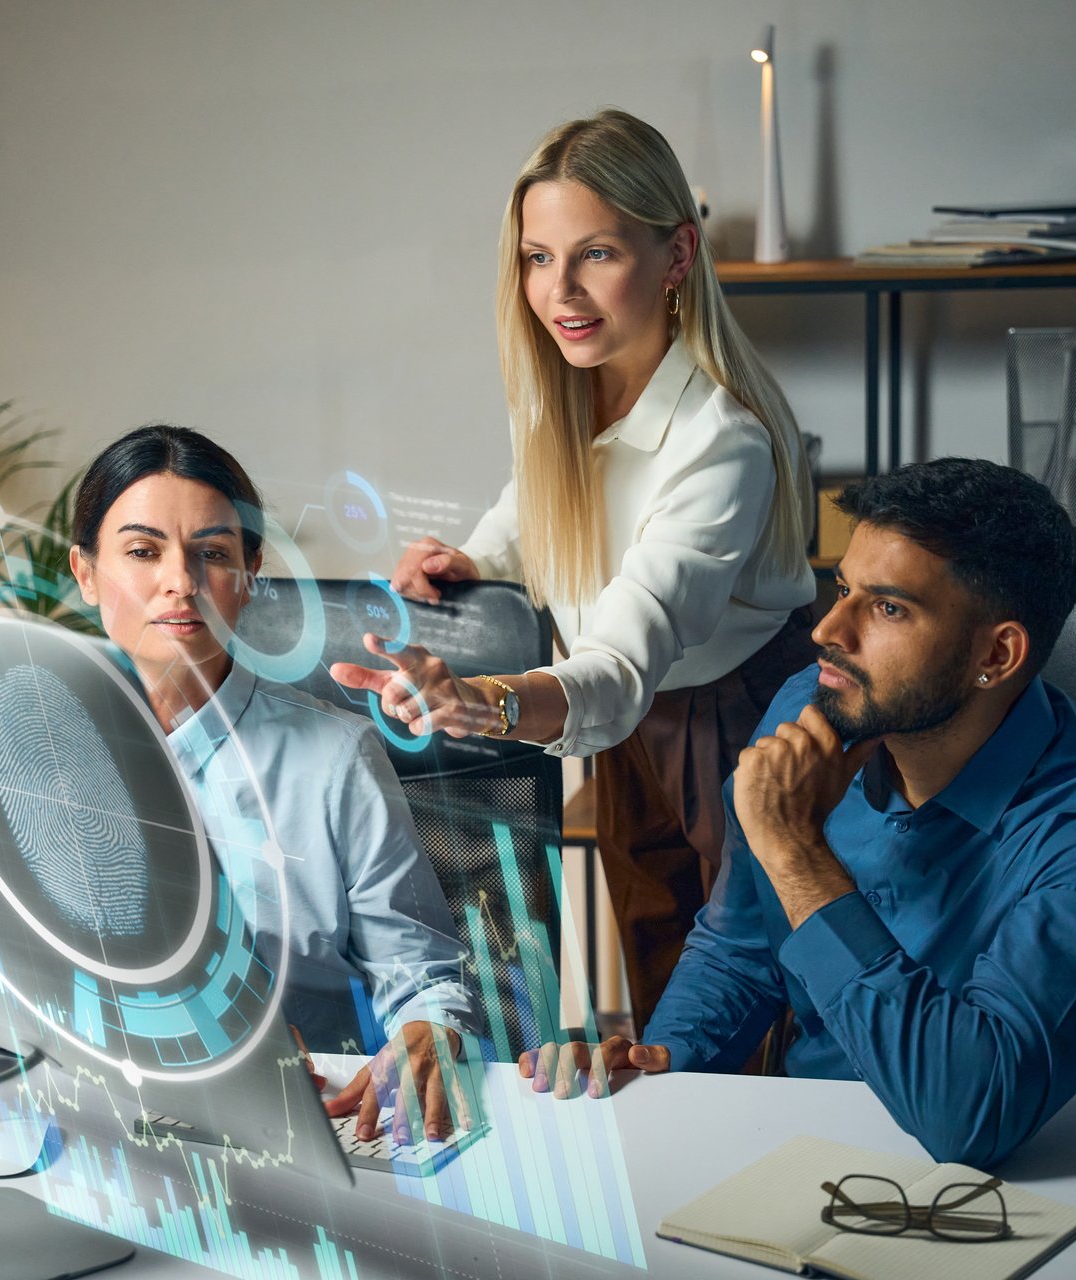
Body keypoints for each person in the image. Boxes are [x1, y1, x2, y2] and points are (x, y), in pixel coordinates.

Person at [517, 458, 1076, 1168]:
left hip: (1036, 1184)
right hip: (810, 1151)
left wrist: (795, 852)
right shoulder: (810, 710)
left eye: (888, 607)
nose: (827, 630)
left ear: (997, 654)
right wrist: (664, 1066)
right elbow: (740, 952)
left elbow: (973, 1115)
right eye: (841, 588)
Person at [331, 109, 817, 1030]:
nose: (561, 291)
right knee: (654, 962)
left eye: (595, 253)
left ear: (676, 257)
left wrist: (494, 703)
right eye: (538, 257)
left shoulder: (724, 441)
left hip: (742, 715)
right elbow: (538, 509)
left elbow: (628, 651)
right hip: (625, 722)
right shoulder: (567, 388)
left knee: (757, 998)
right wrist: (473, 556)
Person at [67, 424, 477, 1142]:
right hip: (93, 1113)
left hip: (300, 1125)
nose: (180, 582)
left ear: (250, 574)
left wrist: (426, 1033)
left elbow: (422, 975)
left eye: (213, 554)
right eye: (141, 551)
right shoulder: (32, 745)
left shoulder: (334, 759)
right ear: (85, 573)